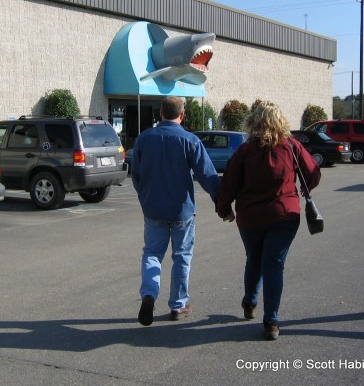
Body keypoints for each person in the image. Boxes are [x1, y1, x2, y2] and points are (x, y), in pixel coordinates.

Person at [216, 101, 320, 340]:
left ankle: (250, 302)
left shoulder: (244, 151)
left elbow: (228, 184)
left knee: (254, 259)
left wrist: (225, 210)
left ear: (253, 123)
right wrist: (305, 188)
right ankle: (271, 321)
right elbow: (313, 172)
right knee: (274, 265)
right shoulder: (292, 146)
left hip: (250, 217)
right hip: (284, 215)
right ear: (280, 121)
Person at [132, 96, 220, 326]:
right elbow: (208, 176)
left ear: (160, 114)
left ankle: (149, 294)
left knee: (152, 253)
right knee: (182, 257)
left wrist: (145, 199)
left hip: (153, 210)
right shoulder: (190, 140)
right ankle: (178, 305)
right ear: (182, 115)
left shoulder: (144, 139)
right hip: (182, 212)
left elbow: (137, 175)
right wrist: (222, 202)